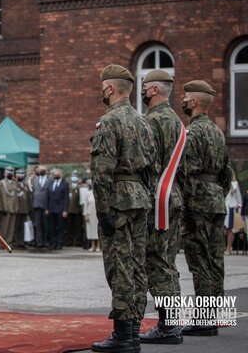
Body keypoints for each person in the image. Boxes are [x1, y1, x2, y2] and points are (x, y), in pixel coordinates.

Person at [91, 64, 155, 353]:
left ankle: (123, 335)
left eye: (102, 85)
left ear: (109, 88)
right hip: (140, 198)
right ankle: (133, 332)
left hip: (117, 198)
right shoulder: (144, 122)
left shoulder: (109, 122)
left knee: (119, 267)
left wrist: (103, 211)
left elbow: (101, 171)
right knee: (137, 265)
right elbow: (152, 166)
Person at [180, 80, 232, 336]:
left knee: (199, 260)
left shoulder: (193, 132)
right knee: (215, 259)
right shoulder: (218, 132)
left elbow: (187, 172)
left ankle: (203, 319)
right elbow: (226, 173)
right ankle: (212, 315)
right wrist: (216, 194)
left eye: (187, 96)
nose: (184, 100)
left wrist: (187, 206)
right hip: (216, 202)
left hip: (198, 202)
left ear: (195, 102)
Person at [138, 69, 185, 344]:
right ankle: (172, 323)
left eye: (145, 87)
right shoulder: (177, 122)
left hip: (157, 199)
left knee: (157, 263)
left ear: (154, 89)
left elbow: (144, 160)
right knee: (167, 262)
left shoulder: (152, 121)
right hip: (172, 196)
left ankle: (168, 326)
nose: (142, 91)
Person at [48, 168, 69, 250]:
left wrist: (65, 210)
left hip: (60, 209)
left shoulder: (65, 184)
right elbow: (48, 197)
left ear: (61, 174)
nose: (56, 174)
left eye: (57, 173)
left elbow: (66, 198)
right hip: (52, 209)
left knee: (60, 227)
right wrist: (47, 208)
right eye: (55, 173)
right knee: (52, 227)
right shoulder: (51, 182)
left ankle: (60, 243)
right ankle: (53, 242)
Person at [30, 165, 51, 248]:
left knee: (46, 225)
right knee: (38, 225)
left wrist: (48, 207)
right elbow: (33, 193)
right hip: (36, 205)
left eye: (43, 169)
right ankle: (39, 242)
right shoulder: (35, 180)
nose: (41, 170)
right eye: (40, 169)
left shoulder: (50, 180)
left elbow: (50, 195)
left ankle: (46, 241)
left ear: (46, 170)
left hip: (45, 206)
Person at [224, 172, 242, 255]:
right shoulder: (222, 182)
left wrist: (239, 205)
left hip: (231, 207)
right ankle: (226, 247)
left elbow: (237, 195)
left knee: (230, 229)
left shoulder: (235, 184)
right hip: (224, 207)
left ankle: (228, 248)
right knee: (224, 229)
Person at [83, 181, 100, 252]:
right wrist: (85, 214)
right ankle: (92, 246)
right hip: (90, 214)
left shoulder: (100, 193)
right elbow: (85, 205)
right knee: (91, 231)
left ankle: (98, 246)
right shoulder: (88, 193)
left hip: (98, 215)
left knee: (98, 230)